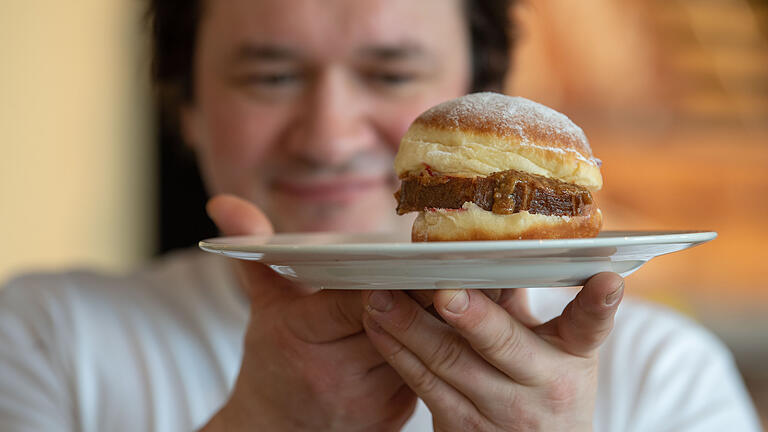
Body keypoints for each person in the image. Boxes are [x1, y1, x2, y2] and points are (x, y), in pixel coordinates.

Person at [0, 0, 761, 431]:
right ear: (188, 108)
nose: (329, 136)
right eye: (270, 75)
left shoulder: (664, 375)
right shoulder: (45, 338)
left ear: (480, 83)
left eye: (392, 72)